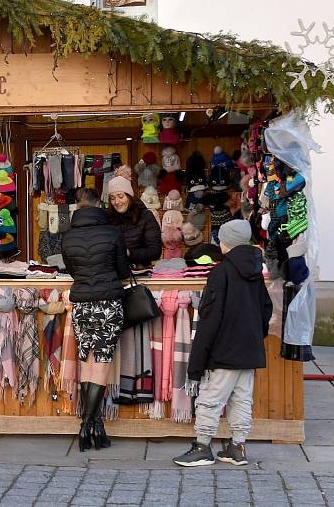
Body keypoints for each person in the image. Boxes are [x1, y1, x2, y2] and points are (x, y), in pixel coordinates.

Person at [173, 220, 272, 467]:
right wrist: (252, 338)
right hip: (249, 350)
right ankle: (237, 447)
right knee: (242, 399)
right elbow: (265, 309)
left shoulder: (221, 272)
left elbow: (210, 319)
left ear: (225, 243)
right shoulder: (255, 270)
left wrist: (197, 362)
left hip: (223, 350)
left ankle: (202, 446)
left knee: (210, 398)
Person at [61, 188, 131, 452]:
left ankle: (95, 427)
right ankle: (86, 425)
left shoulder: (68, 236)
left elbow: (71, 269)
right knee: (101, 366)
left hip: (81, 304)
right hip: (108, 303)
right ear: (99, 206)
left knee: (88, 364)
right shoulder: (113, 233)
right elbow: (123, 271)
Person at [106, 176, 162, 268]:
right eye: (112, 198)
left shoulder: (145, 216)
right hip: (113, 273)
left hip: (140, 272)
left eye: (120, 196)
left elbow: (155, 251)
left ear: (129, 196)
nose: (116, 201)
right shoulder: (108, 218)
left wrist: (129, 253)